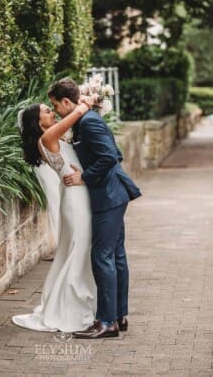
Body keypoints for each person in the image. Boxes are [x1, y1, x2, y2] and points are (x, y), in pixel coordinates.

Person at [48, 77, 142, 339]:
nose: (55, 110)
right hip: (113, 194)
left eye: (56, 105)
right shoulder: (85, 120)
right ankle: (119, 316)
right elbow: (114, 153)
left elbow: (111, 157)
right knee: (116, 255)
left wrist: (84, 177)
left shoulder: (88, 123)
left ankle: (107, 322)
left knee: (102, 256)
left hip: (108, 197)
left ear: (67, 102)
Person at [12, 99, 97, 333]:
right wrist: (83, 106)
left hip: (79, 196)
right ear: (37, 123)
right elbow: (76, 116)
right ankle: (71, 308)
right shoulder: (46, 138)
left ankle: (82, 302)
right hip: (75, 201)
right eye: (47, 111)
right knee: (78, 251)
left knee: (78, 251)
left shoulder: (57, 137)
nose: (52, 113)